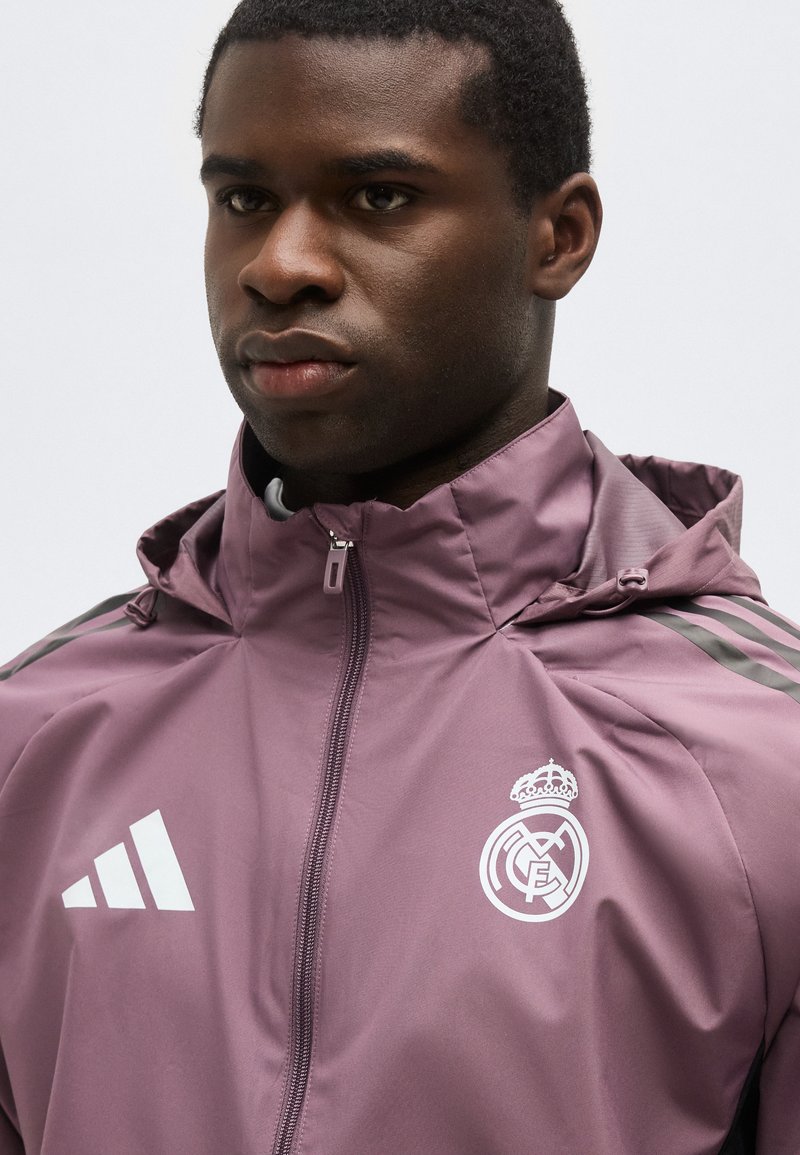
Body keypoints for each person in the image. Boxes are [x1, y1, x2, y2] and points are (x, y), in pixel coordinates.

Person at [0, 1, 797, 1151]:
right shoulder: (35, 742)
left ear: (558, 236)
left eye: (377, 197)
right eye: (244, 200)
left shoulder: (760, 763)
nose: (280, 266)